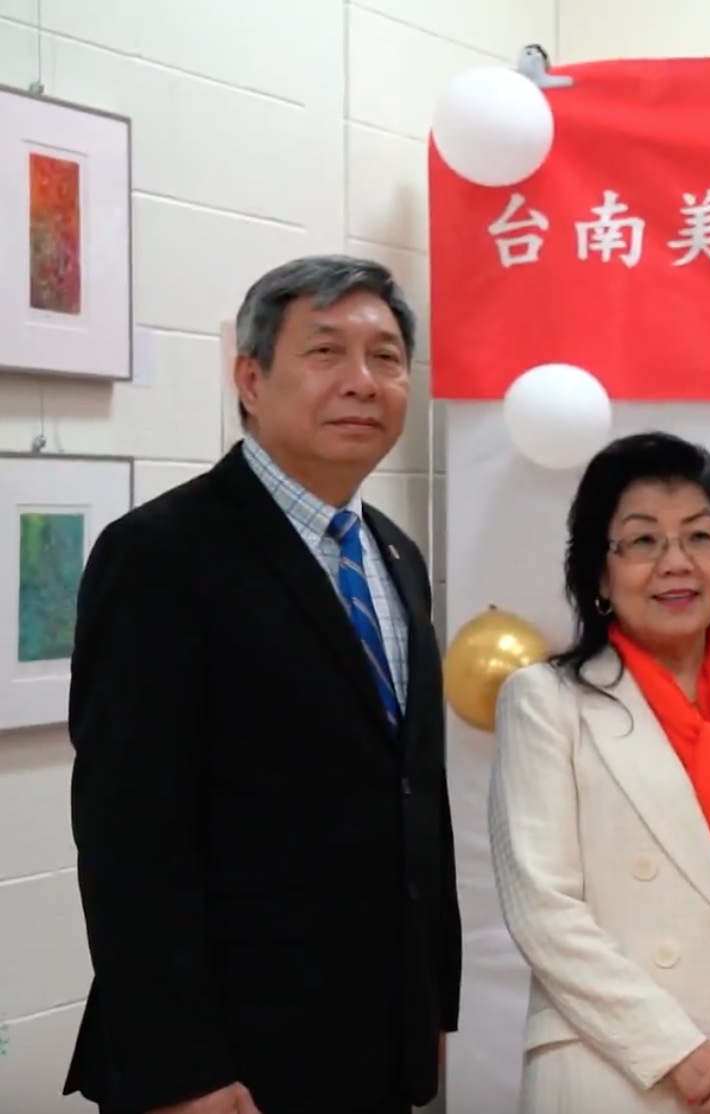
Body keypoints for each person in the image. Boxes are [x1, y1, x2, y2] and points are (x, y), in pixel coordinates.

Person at [65, 255, 458, 1114]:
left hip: (378, 1040)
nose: (362, 382)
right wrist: (183, 1071)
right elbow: (129, 835)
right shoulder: (163, 554)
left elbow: (414, 794)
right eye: (326, 352)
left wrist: (431, 1001)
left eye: (386, 357)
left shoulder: (395, 554)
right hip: (229, 1059)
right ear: (250, 379)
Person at [489, 432, 710, 1114]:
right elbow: (543, 909)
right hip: (614, 1070)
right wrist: (678, 1054)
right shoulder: (547, 701)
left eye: (700, 537)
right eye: (643, 541)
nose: (676, 563)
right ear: (600, 574)